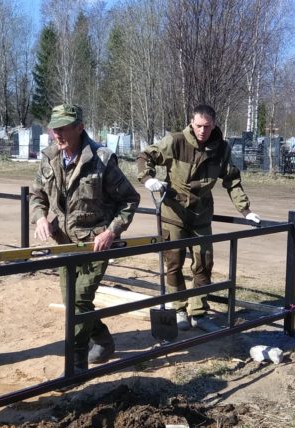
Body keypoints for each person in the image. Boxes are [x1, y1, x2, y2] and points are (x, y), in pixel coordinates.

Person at [29, 104, 140, 370]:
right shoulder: (49, 157)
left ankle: (76, 362)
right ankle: (102, 339)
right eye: (55, 129)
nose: (58, 134)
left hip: (94, 243)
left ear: (79, 127)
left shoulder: (101, 158)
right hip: (64, 244)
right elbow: (37, 195)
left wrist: (111, 231)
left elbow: (129, 199)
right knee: (73, 302)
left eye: (64, 128)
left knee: (80, 299)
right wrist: (41, 217)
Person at [136, 104, 260, 333]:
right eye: (199, 125)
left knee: (204, 263)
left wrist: (246, 210)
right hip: (173, 212)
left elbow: (232, 180)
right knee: (173, 262)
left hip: (201, 214)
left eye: (207, 126)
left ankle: (198, 312)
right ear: (192, 122)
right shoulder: (175, 141)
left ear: (214, 125)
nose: (203, 131)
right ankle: (180, 309)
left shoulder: (221, 149)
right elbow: (145, 156)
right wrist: (148, 179)